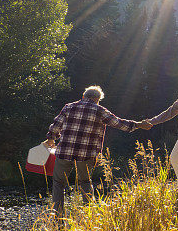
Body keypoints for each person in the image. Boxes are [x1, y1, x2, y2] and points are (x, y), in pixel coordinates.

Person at [45, 85, 150, 221]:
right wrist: (138, 124)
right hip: (86, 155)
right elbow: (119, 124)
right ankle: (89, 217)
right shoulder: (100, 110)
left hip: (64, 151)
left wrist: (51, 138)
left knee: (58, 184)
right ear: (98, 100)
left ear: (83, 96)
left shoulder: (69, 107)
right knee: (85, 182)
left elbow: (56, 125)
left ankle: (57, 218)